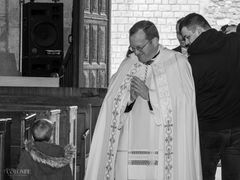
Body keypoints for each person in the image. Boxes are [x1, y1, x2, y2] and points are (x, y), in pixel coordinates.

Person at [84, 20, 202, 180]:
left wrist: (150, 95)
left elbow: (183, 107)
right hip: (128, 146)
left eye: (140, 47)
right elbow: (111, 105)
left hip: (162, 148)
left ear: (154, 41)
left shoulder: (177, 63)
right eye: (133, 48)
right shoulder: (128, 64)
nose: (136, 52)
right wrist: (129, 99)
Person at [180, 13, 240, 180]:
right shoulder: (235, 42)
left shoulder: (191, 63)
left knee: (204, 176)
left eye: (187, 37)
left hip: (208, 130)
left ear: (199, 30)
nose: (186, 42)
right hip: (236, 127)